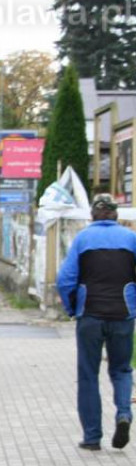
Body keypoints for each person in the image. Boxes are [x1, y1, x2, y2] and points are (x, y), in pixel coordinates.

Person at [56, 193, 136, 451]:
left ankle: (92, 437)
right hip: (123, 315)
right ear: (115, 214)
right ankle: (124, 413)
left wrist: (72, 308)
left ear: (93, 214)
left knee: (89, 374)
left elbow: (65, 279)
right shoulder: (131, 239)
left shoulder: (83, 239)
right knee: (122, 369)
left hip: (90, 315)